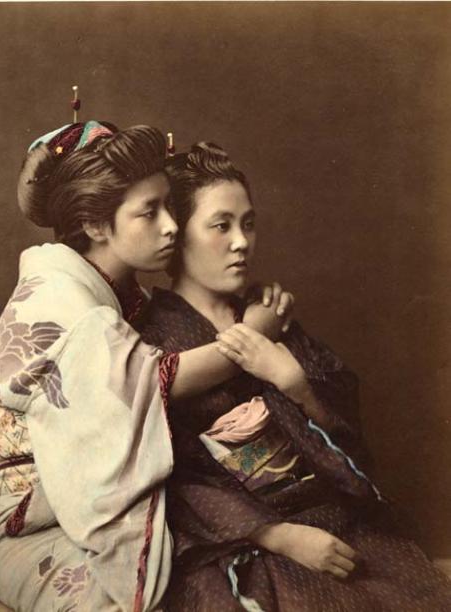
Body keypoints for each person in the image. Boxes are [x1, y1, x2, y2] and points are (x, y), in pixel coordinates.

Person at [0, 122, 289, 611]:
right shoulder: (61, 294)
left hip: (82, 488)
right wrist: (252, 336)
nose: (171, 226)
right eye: (149, 213)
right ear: (95, 225)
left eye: (169, 207)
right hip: (25, 510)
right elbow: (153, 383)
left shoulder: (119, 291)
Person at [139, 141, 451, 611]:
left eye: (248, 224)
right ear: (178, 236)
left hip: (334, 518)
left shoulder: (269, 314)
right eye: (220, 226)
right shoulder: (155, 338)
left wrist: (295, 383)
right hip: (240, 541)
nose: (241, 241)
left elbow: (351, 440)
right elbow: (171, 478)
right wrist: (280, 536)